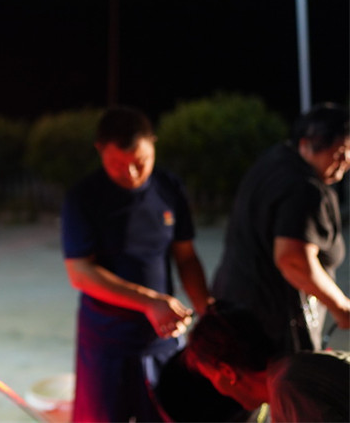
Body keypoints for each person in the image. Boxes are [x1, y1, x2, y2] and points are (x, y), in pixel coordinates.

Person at [62, 105, 213, 422]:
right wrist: (150, 302)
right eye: (118, 163)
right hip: (106, 342)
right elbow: (80, 273)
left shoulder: (168, 188)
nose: (130, 173)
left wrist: (206, 310)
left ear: (153, 144)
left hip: (163, 341)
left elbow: (186, 257)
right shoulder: (83, 198)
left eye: (140, 162)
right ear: (100, 150)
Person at [211, 103, 350, 355]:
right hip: (272, 323)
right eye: (340, 152)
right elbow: (293, 260)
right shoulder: (304, 188)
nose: (346, 161)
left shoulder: (274, 160)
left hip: (235, 305)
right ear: (308, 145)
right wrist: (341, 307)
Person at [184, 301, 350, 422]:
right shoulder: (295, 370)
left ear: (227, 371)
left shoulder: (288, 387)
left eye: (210, 378)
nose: (218, 390)